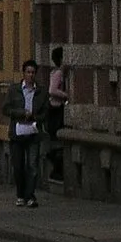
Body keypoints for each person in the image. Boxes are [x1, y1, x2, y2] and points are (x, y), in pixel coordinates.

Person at [2, 59, 45, 208]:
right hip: (17, 133)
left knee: (32, 165)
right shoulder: (14, 90)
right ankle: (20, 195)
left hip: (33, 133)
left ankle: (30, 196)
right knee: (18, 166)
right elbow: (6, 109)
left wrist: (34, 116)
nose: (30, 75)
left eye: (33, 72)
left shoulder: (40, 92)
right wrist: (21, 113)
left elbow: (45, 113)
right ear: (24, 73)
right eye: (28, 72)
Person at [44, 46, 69, 182]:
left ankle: (56, 168)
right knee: (56, 139)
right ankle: (56, 169)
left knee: (55, 139)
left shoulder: (55, 72)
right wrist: (66, 95)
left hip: (54, 108)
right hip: (55, 108)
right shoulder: (58, 73)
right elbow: (52, 90)